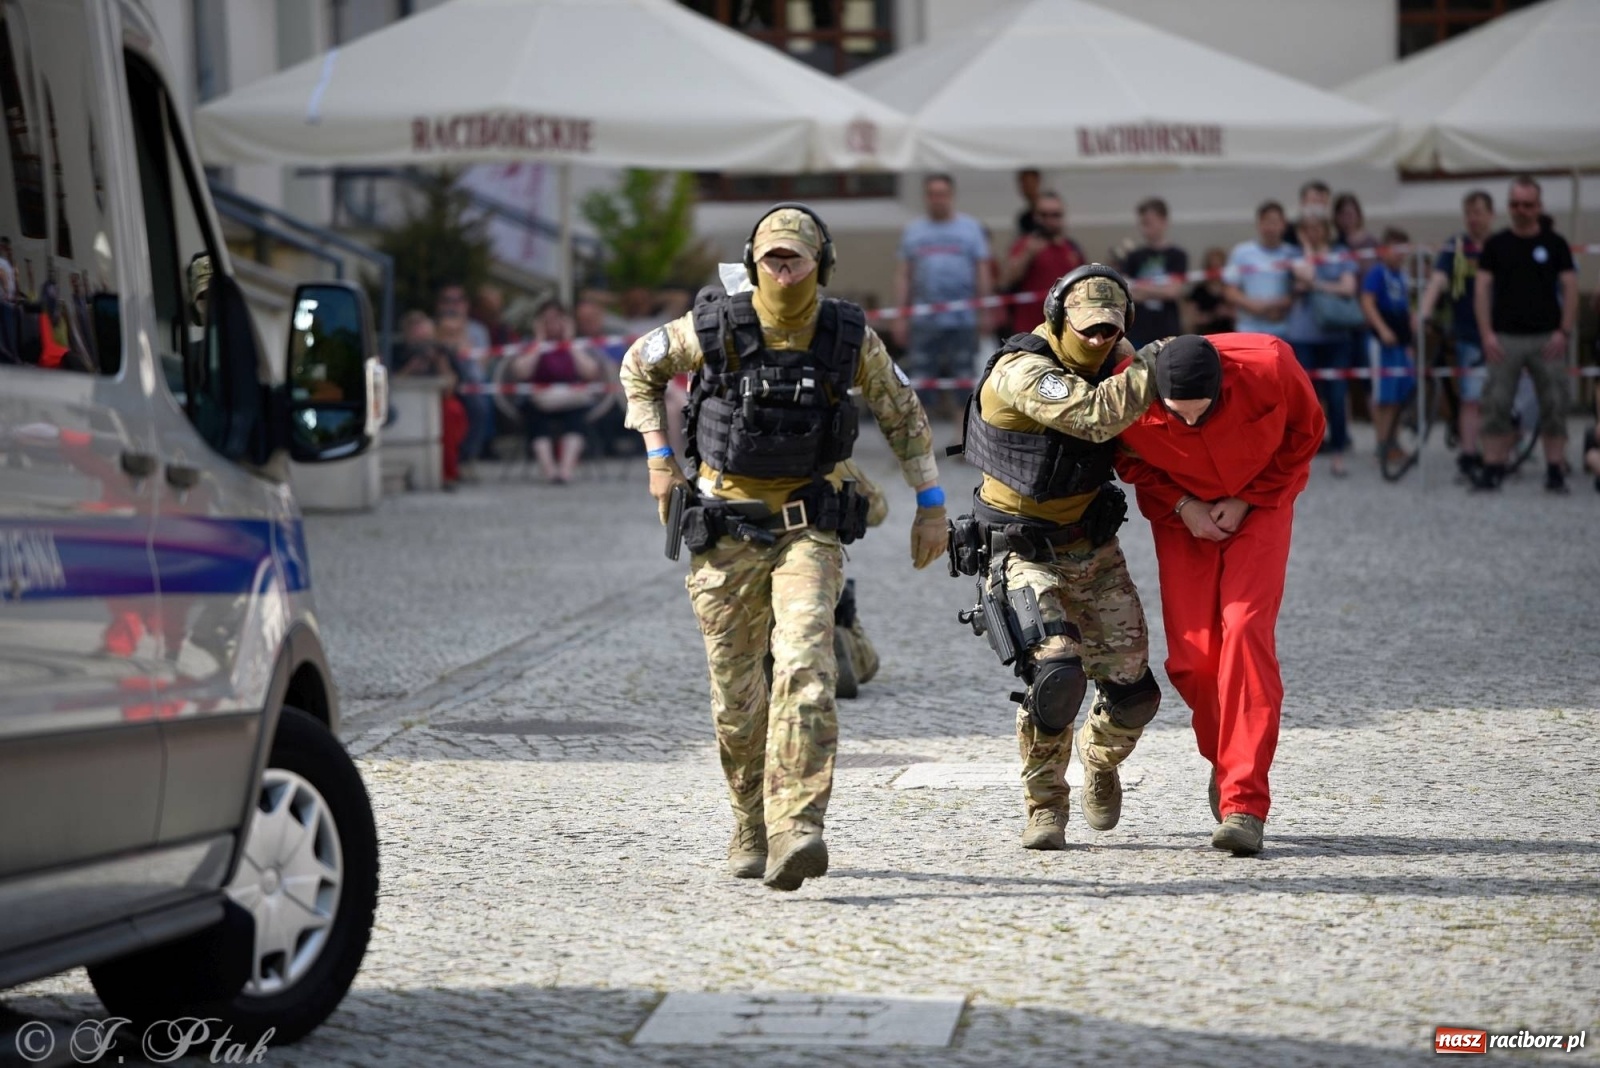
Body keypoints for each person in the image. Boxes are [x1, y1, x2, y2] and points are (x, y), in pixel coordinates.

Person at [621, 204, 945, 891]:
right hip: (725, 527)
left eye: (795, 256)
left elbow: (901, 411)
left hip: (808, 527)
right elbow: (638, 367)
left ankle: (798, 825)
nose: (783, 267)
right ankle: (749, 818)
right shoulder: (712, 327)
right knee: (739, 698)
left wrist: (932, 503)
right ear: (753, 261)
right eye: (772, 256)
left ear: (820, 263)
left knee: (805, 667)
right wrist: (657, 457)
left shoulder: (846, 335)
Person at [948, 264, 1165, 850]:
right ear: (1056, 319)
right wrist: (1152, 365)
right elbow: (1093, 416)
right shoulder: (1025, 370)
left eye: (1110, 331)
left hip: (1091, 546)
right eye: (1087, 330)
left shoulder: (1118, 361)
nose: (1098, 340)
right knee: (1057, 673)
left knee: (1134, 693)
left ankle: (1098, 759)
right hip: (1020, 549)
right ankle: (1045, 805)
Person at [1116, 333, 1324, 856]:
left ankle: (1244, 803)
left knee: (1247, 630)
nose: (1188, 424)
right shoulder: (1126, 391)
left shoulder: (1271, 366)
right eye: (1176, 415)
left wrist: (1249, 497)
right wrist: (1185, 505)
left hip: (1261, 505)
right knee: (1193, 660)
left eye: (1200, 413)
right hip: (1181, 517)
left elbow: (1306, 432)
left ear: (1224, 387)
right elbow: (1127, 461)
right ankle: (1228, 761)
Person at [1472, 175, 1578, 493]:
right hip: (1504, 338)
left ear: (1539, 206)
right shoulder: (1496, 244)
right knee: (1496, 403)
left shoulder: (1555, 244)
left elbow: (1571, 287)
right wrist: (1486, 333)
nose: (1521, 210)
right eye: (1515, 204)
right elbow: (1481, 290)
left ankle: (1555, 470)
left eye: (1527, 204)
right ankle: (1492, 468)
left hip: (1548, 337)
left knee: (1555, 402)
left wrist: (1565, 330)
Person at [892, 174, 993, 418]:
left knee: (964, 379)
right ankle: (919, 442)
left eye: (942, 194)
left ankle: (962, 440)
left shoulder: (970, 229)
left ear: (951, 196)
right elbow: (904, 275)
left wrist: (986, 310)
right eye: (933, 194)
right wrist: (900, 316)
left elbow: (982, 271)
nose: (938, 200)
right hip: (924, 321)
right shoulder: (914, 232)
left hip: (963, 321)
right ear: (926, 198)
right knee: (920, 380)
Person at [1418, 190, 1496, 479]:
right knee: (1471, 397)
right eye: (1469, 213)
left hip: (1502, 332)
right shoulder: (1456, 246)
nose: (1474, 219)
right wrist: (1424, 311)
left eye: (1479, 212)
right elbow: (1438, 280)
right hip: (1467, 332)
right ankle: (1468, 455)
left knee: (1500, 398)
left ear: (1491, 214)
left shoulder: (1500, 245)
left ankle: (1497, 455)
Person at [1287, 213, 1360, 477]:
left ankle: (1338, 451)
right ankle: (1304, 454)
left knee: (1338, 395)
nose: (1313, 232)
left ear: (1327, 229)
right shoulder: (1296, 254)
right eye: (1307, 229)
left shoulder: (1341, 253)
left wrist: (1315, 285)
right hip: (1303, 335)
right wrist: (1307, 250)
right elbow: (1304, 274)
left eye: (1317, 227)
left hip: (1335, 336)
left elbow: (1349, 289)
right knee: (1305, 399)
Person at [509, 300, 603, 484]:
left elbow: (590, 372)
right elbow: (522, 373)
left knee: (576, 418)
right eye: (547, 320)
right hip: (538, 400)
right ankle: (549, 470)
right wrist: (539, 341)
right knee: (535, 418)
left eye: (557, 319)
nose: (552, 324)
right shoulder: (532, 344)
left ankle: (565, 471)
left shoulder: (577, 345)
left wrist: (569, 342)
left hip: (570, 400)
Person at [1360, 229, 1418, 464]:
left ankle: (1393, 440)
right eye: (1396, 249)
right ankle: (1382, 442)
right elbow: (1367, 302)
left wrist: (1410, 339)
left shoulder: (1402, 276)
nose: (1400, 255)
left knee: (1399, 394)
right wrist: (1382, 329)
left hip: (1400, 343)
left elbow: (1406, 308)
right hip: (1381, 343)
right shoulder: (1377, 273)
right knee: (1384, 396)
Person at [396, 310, 469, 490]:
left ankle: (448, 472)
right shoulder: (398, 352)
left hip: (440, 401)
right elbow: (394, 383)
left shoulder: (442, 351)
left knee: (452, 413)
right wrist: (410, 369)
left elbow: (452, 386)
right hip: (407, 403)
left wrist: (440, 363)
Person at [998, 190, 1085, 337]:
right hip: (1030, 332)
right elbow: (1005, 281)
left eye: (1055, 215)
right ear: (1035, 216)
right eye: (1044, 215)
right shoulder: (1024, 245)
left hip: (1065, 331)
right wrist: (1027, 255)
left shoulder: (1072, 248)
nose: (1049, 221)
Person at [436, 283, 494, 473]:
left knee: (480, 407)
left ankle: (467, 457)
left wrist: (462, 339)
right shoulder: (433, 328)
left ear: (466, 305)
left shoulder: (478, 331)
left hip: (469, 383)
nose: (453, 305)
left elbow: (479, 371)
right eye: (447, 301)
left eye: (458, 300)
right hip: (442, 385)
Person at [1118, 197, 1189, 350]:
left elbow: (1173, 291)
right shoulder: (1133, 257)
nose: (1145, 227)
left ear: (1163, 221)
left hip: (1167, 331)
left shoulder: (1177, 256)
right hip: (1138, 331)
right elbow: (1127, 293)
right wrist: (1158, 290)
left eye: (1149, 222)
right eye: (1142, 223)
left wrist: (1141, 287)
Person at [1225, 201, 1297, 339]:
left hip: (1284, 329)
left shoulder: (1292, 254)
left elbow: (1298, 290)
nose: (1271, 228)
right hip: (1248, 330)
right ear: (1258, 224)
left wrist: (1279, 305)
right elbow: (1229, 290)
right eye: (1266, 222)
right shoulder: (1241, 252)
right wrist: (1252, 305)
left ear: (1283, 224)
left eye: (1275, 222)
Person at [1185, 247, 1236, 335]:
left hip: (1229, 334)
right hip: (1205, 334)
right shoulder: (1198, 291)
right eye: (1212, 267)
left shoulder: (1231, 289)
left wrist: (1226, 312)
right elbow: (1190, 318)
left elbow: (1241, 315)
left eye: (1218, 267)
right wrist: (1210, 316)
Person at [1281, 179, 1331, 247]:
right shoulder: (1286, 229)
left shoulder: (1333, 231)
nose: (1317, 207)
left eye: (1322, 202)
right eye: (1314, 201)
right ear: (1303, 202)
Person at [1332, 192, 1378, 257]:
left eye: (1350, 214)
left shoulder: (1371, 242)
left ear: (1358, 215)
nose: (1346, 219)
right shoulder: (1336, 244)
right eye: (1343, 215)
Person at [1015, 168, 1044, 237]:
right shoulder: (1024, 218)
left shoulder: (1049, 212)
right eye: (1023, 184)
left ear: (1037, 182)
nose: (1026, 188)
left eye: (1029, 183)